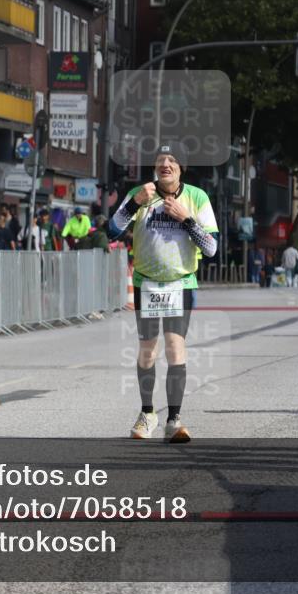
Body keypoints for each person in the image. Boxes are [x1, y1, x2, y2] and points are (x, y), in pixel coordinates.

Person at [110, 145, 219, 443]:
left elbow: (211, 248)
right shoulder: (141, 193)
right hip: (147, 283)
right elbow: (112, 230)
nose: (165, 165)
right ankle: (147, 413)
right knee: (147, 351)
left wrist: (186, 219)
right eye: (160, 161)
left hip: (180, 284)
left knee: (174, 349)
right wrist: (134, 204)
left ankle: (174, 419)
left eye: (171, 161)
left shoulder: (197, 197)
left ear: (181, 168)